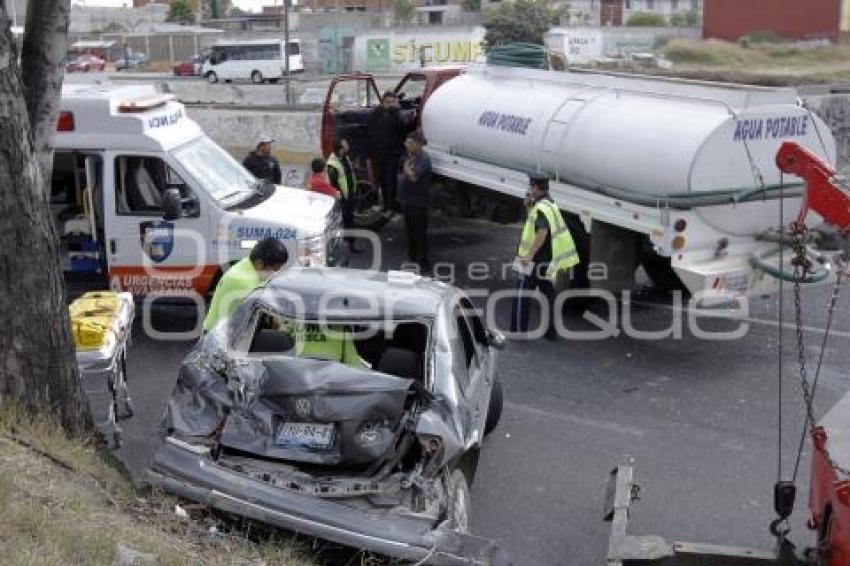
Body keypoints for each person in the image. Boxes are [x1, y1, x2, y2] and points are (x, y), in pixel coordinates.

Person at [509, 173, 579, 340]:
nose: (529, 190)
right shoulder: (550, 204)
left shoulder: (541, 208)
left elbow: (542, 231)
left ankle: (518, 330)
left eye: (531, 187)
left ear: (536, 188)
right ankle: (551, 332)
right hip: (548, 259)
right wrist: (527, 206)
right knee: (548, 293)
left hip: (535, 260)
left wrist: (529, 255)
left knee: (521, 292)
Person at [203, 237, 288, 331]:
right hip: (217, 338)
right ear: (259, 263)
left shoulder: (249, 264)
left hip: (227, 330)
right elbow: (270, 315)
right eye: (275, 269)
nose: (276, 273)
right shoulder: (244, 284)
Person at [397, 131, 432, 273]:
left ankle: (423, 261)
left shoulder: (423, 158)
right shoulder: (408, 156)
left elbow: (413, 177)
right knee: (409, 231)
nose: (406, 145)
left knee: (420, 232)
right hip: (406, 199)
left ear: (418, 144)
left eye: (409, 142)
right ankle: (412, 258)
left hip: (418, 201)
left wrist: (406, 166)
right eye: (406, 142)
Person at [367, 91, 405, 212]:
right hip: (379, 152)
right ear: (382, 102)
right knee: (382, 179)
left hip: (392, 153)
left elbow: (402, 129)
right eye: (387, 102)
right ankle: (385, 203)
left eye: (393, 102)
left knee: (391, 179)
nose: (390, 105)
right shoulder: (376, 113)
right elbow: (370, 129)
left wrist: (396, 110)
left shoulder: (397, 114)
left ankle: (392, 205)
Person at [326, 138, 357, 250]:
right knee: (342, 222)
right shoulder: (332, 164)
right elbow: (333, 183)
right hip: (342, 198)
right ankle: (341, 247)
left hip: (350, 195)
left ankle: (351, 245)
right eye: (345, 144)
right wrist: (340, 196)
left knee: (350, 220)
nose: (348, 145)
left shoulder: (345, 158)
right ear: (341, 149)